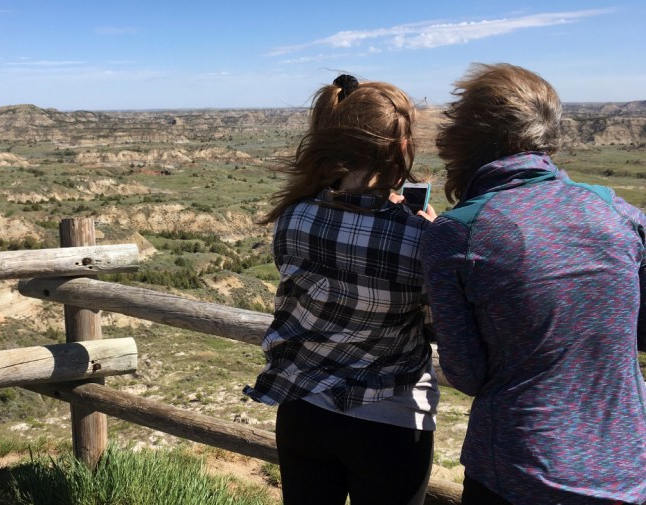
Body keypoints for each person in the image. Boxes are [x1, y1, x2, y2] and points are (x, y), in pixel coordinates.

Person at [420, 63, 646, 504]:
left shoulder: (455, 234)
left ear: (464, 138)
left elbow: (466, 373)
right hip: (625, 468)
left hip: (518, 468)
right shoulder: (620, 213)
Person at [244, 74, 439, 505]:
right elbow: (436, 325)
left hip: (302, 408)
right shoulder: (420, 239)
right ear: (402, 148)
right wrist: (436, 239)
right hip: (389, 419)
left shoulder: (293, 217)